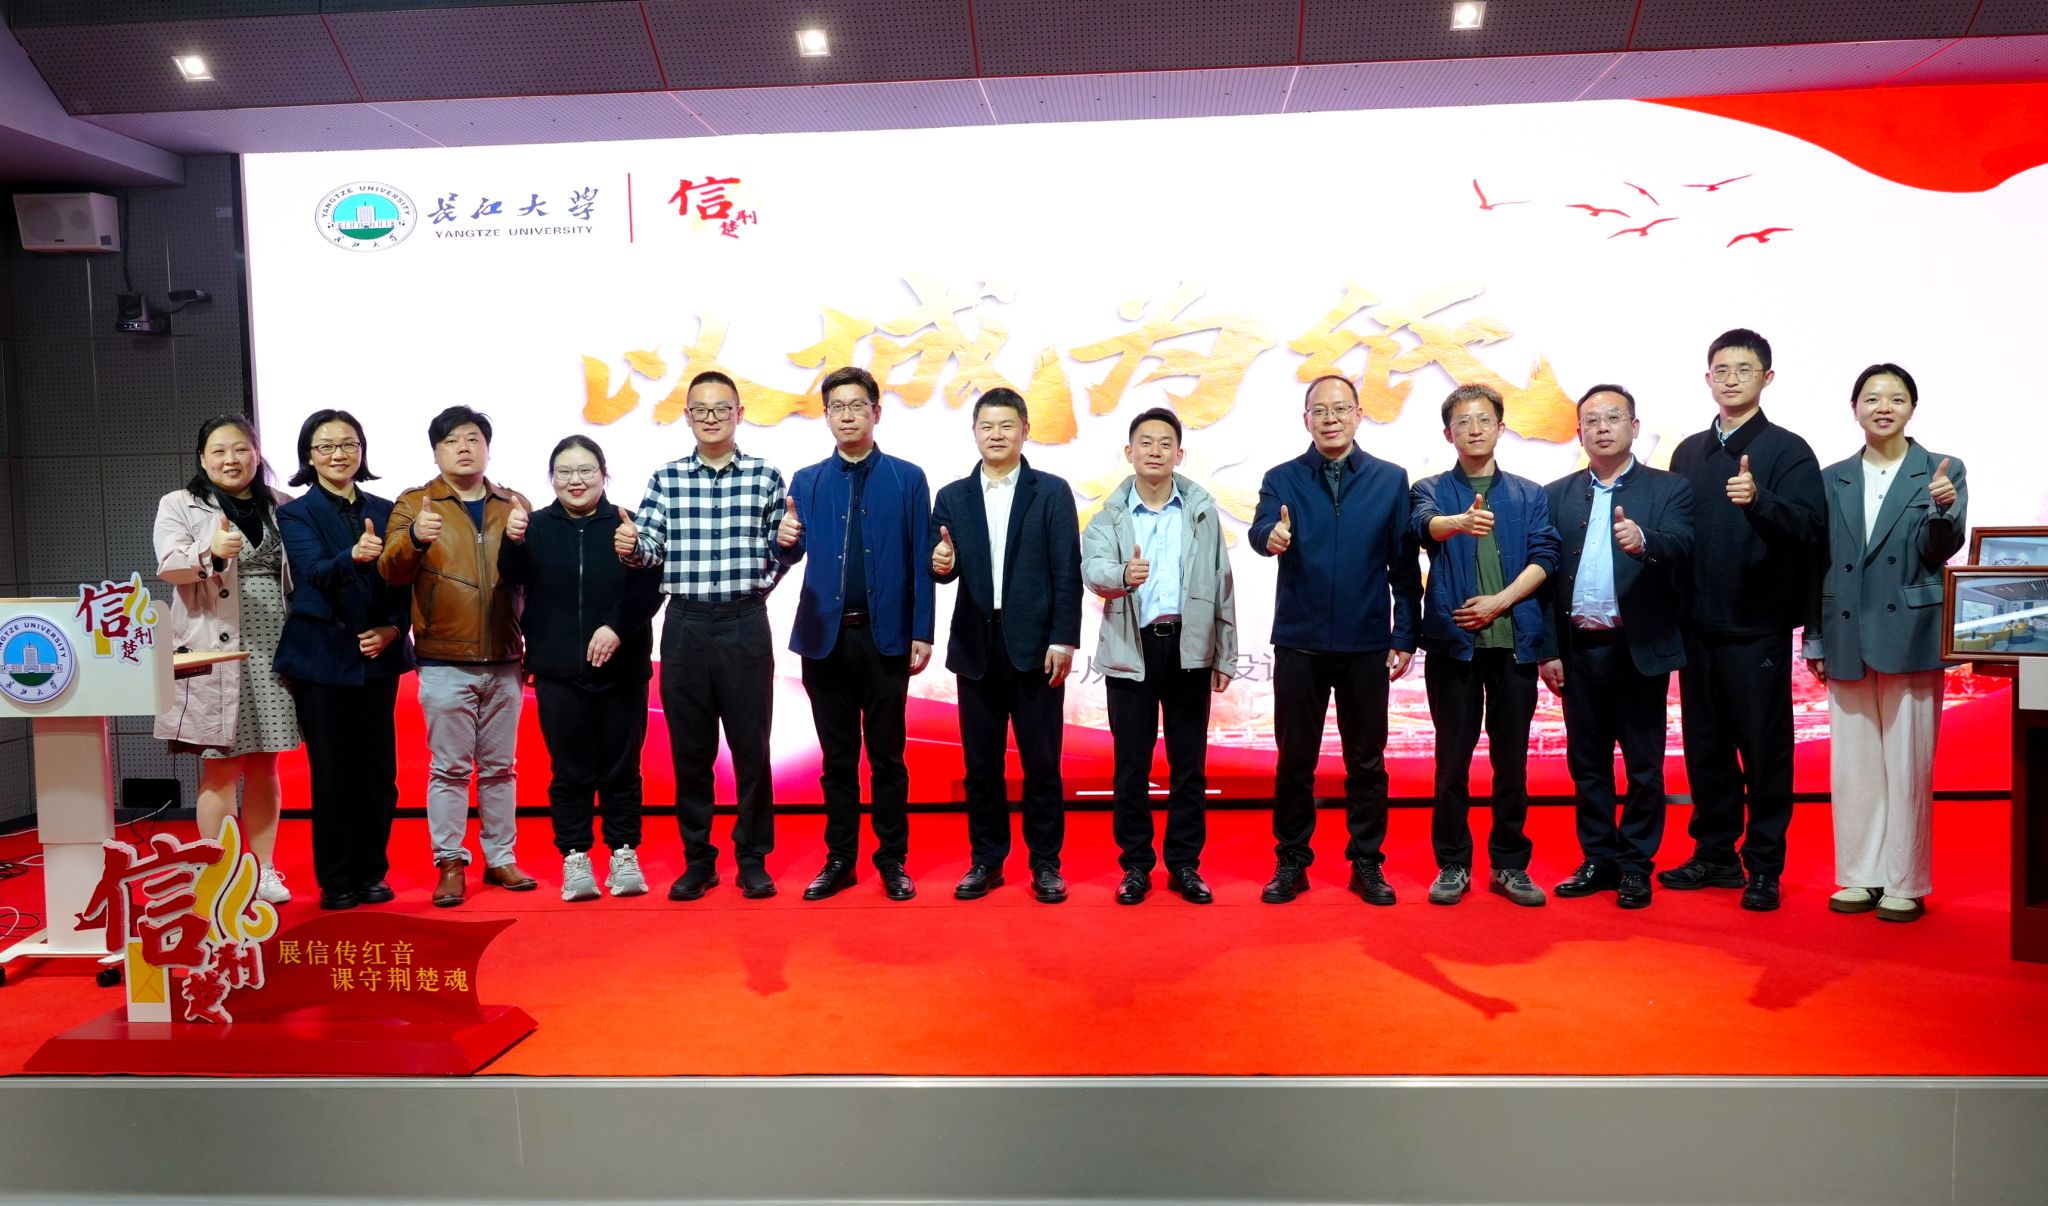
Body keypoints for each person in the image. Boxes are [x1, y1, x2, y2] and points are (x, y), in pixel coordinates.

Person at [1664, 329, 1825, 912]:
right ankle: (1714, 854)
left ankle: (1764, 866)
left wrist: (1760, 500)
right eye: (1721, 370)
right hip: (1696, 627)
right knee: (1704, 747)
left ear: (1767, 378)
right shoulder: (1688, 452)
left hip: (1756, 625)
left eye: (1744, 369)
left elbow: (1812, 530)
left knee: (1763, 751)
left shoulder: (1789, 450)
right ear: (1707, 378)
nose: (1731, 379)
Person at [1249, 375, 1423, 905]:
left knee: (1366, 762)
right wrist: (1271, 536)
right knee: (1294, 761)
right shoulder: (1282, 478)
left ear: (1358, 415)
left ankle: (1366, 862)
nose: (1330, 418)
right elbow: (1260, 531)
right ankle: (1291, 862)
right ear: (1306, 419)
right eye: (1320, 410)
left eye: (1340, 408)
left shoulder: (1390, 480)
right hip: (1299, 641)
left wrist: (1405, 633)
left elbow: (1403, 566)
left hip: (1366, 643)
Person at [618, 372, 790, 902]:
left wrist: (763, 579)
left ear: (739, 414)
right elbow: (651, 549)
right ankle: (698, 860)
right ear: (687, 416)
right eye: (700, 409)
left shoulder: (765, 476)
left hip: (744, 623)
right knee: (690, 752)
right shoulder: (666, 478)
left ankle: (753, 859)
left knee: (751, 748)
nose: (710, 417)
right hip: (685, 624)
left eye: (721, 408)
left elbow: (780, 548)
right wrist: (631, 546)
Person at [1804, 365, 1965, 923]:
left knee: (1909, 762)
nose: (1883, 407)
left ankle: (1906, 881)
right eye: (1872, 398)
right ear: (1855, 409)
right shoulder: (1833, 477)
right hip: (1845, 629)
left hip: (1910, 631)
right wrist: (1815, 637)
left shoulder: (1941, 469)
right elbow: (1818, 563)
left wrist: (1942, 508)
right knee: (1853, 766)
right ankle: (1859, 874)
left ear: (1912, 409)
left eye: (1896, 398)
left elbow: (1939, 549)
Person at [780, 367, 934, 903]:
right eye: (837, 407)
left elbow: (921, 559)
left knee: (888, 758)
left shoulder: (907, 479)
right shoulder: (806, 481)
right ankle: (840, 859)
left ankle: (892, 860)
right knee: (837, 760)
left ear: (876, 412)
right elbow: (788, 555)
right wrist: (783, 540)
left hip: (885, 638)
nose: (847, 415)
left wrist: (921, 630)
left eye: (857, 405)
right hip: (825, 641)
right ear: (826, 416)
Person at [1539, 385, 1694, 910]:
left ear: (1634, 426)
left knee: (1643, 766)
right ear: (1579, 432)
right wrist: (1548, 649)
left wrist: (1645, 542)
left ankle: (1635, 864)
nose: (1602, 428)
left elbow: (1684, 546)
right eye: (1592, 420)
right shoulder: (1555, 494)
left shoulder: (1669, 489)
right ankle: (1598, 857)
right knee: (1587, 764)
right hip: (1577, 648)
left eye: (1613, 418)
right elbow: (1543, 578)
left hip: (1636, 648)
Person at [929, 387, 1083, 903]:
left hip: (1036, 648)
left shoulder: (1051, 492)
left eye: (1006, 425)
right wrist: (940, 563)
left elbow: (1067, 570)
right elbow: (939, 562)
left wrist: (1064, 638)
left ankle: (1045, 863)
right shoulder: (952, 496)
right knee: (981, 766)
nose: (996, 435)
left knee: (1042, 763)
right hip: (976, 647)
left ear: (1025, 431)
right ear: (974, 432)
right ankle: (987, 860)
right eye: (986, 426)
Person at [1410, 384, 1560, 908]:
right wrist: (1458, 523)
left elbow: (1546, 556)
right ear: (1447, 433)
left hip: (1514, 643)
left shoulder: (1528, 493)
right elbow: (1423, 526)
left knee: (1511, 762)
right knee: (1452, 761)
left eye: (1483, 419)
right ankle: (1452, 863)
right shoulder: (1429, 488)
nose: (1474, 429)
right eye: (1463, 422)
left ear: (1501, 427)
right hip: (1453, 645)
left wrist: (1499, 601)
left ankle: (1509, 864)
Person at [379, 405, 536, 908]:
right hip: (444, 660)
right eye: (451, 441)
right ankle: (450, 861)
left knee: (501, 768)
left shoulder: (513, 503)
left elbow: (533, 580)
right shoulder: (414, 504)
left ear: (487, 447)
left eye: (472, 439)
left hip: (506, 659)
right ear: (436, 452)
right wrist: (414, 538)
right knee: (448, 769)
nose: (463, 448)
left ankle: (501, 857)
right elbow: (390, 570)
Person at [1081, 406, 1236, 906]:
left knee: (1190, 765)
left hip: (1190, 646)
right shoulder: (1109, 516)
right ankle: (1135, 866)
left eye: (1165, 443)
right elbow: (1092, 568)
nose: (1155, 451)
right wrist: (1121, 575)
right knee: (1132, 765)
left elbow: (1222, 581)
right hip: (1133, 648)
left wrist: (1225, 653)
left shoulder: (1201, 512)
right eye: (1145, 442)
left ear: (1179, 454)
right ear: (1129, 452)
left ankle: (1185, 865)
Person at [498, 436, 662, 903]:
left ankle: (624, 852)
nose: (576, 480)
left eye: (586, 470)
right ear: (552, 478)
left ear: (603, 475)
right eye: (565, 472)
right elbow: (513, 575)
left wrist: (617, 628)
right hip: (558, 672)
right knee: (570, 771)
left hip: (623, 670)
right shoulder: (535, 526)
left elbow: (651, 588)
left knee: (622, 769)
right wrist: (513, 541)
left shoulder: (628, 524)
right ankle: (575, 857)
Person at [153, 415, 300, 904]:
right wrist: (210, 552)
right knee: (220, 767)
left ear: (257, 454)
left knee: (264, 765)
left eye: (241, 449)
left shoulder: (281, 504)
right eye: (218, 451)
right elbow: (169, 566)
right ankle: (220, 874)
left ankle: (263, 870)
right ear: (202, 458)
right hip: (216, 651)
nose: (231, 459)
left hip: (274, 650)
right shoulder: (179, 504)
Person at [274, 410, 414, 911]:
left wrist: (394, 628)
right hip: (323, 657)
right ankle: (336, 880)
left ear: (362, 450)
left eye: (349, 444)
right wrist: (352, 555)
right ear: (309, 457)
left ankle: (373, 872)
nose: (339, 454)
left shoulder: (388, 508)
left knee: (378, 774)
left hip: (378, 655)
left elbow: (406, 579)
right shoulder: (296, 513)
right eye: (326, 446)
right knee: (332, 774)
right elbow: (312, 572)